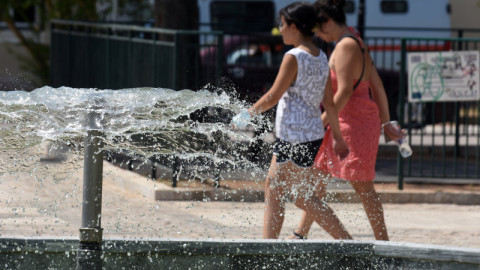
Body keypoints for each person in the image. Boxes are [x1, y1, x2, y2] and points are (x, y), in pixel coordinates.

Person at [232, 1, 352, 239]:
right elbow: (329, 102)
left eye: (283, 25)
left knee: (300, 196)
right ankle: (270, 247)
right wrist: (337, 137)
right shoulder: (320, 56)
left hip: (293, 135)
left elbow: (273, 95)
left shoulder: (293, 56)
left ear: (295, 27)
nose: (280, 29)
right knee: (276, 189)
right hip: (311, 134)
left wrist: (247, 114)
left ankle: (347, 243)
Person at [288, 0, 404, 241]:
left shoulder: (345, 46)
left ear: (328, 22)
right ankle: (301, 233)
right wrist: (386, 122)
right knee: (316, 179)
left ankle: (379, 245)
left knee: (362, 188)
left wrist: (317, 124)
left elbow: (344, 93)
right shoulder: (355, 40)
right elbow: (377, 83)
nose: (318, 35)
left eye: (318, 29)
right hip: (347, 121)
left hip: (353, 124)